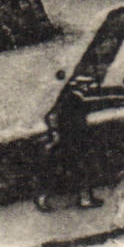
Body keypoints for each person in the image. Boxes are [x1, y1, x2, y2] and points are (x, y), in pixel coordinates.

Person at [35, 76, 102, 211]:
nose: (88, 88)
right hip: (71, 141)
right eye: (86, 85)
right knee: (76, 170)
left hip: (68, 140)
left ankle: (84, 198)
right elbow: (73, 122)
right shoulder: (74, 100)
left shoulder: (69, 99)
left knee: (72, 170)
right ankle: (83, 199)